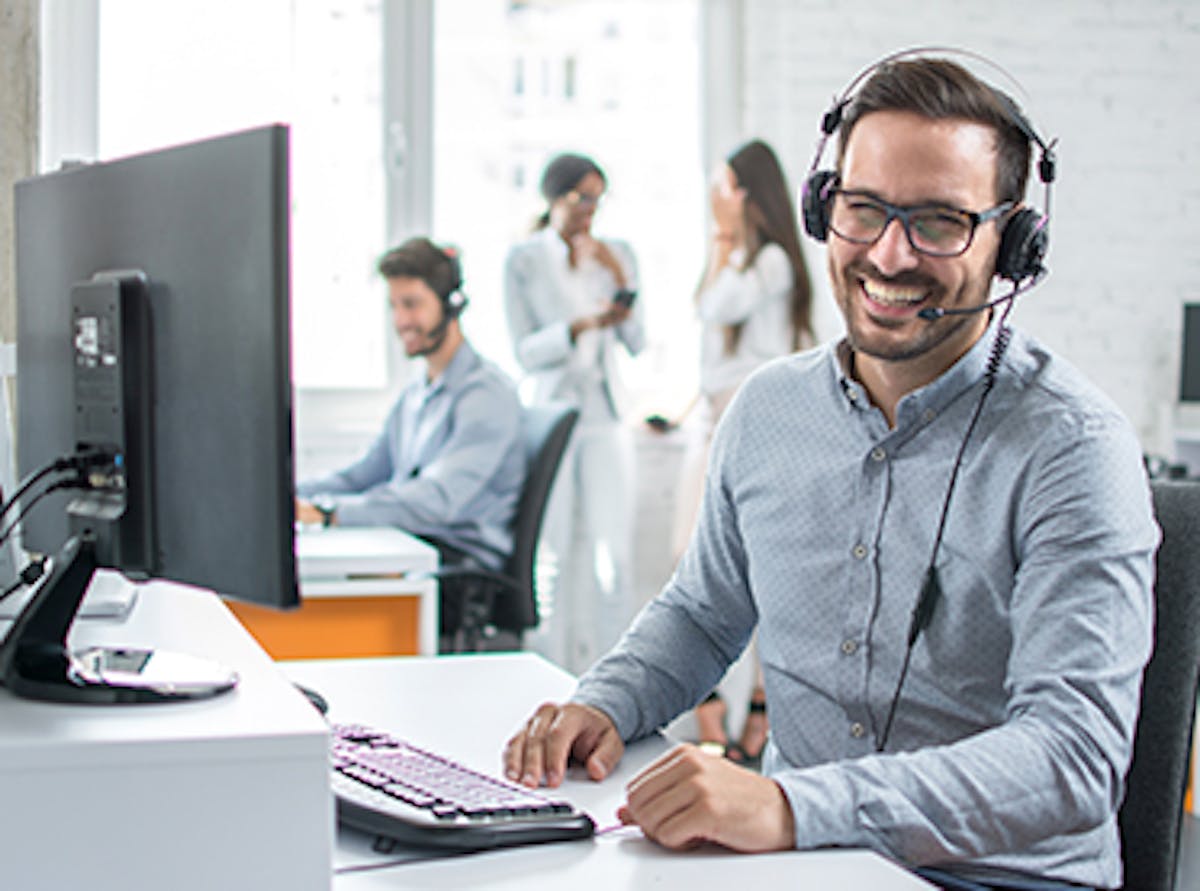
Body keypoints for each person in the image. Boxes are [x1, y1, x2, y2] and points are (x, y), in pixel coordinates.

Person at [503, 56, 1157, 891]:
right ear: (823, 209)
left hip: (999, 880)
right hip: (800, 868)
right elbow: (703, 614)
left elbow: (1075, 756)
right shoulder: (768, 410)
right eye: (864, 209)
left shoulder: (1073, 447)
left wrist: (792, 807)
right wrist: (603, 704)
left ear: (1013, 243)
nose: (890, 253)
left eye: (939, 222)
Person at [296, 237, 525, 646]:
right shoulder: (417, 391)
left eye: (412, 304)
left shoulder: (486, 396)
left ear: (451, 304)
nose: (401, 320)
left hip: (457, 573)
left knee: (317, 601)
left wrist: (327, 512)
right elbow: (362, 476)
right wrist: (286, 497)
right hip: (414, 550)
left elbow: (437, 499)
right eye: (394, 305)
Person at [676, 139, 815, 769]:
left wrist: (725, 243)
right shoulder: (738, 259)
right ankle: (711, 707)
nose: (720, 201)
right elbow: (704, 315)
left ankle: (754, 709)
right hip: (709, 420)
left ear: (752, 194)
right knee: (690, 565)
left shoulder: (774, 264)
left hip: (750, 425)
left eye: (728, 188)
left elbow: (717, 305)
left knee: (754, 570)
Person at [503, 153, 646, 674]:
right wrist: (579, 326)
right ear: (552, 198)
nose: (590, 210)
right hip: (553, 415)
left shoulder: (617, 253)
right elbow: (524, 351)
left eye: (597, 199)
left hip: (604, 415)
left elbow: (637, 340)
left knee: (615, 561)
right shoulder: (524, 260)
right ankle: (546, 679)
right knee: (552, 558)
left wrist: (616, 276)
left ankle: (618, 685)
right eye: (580, 198)